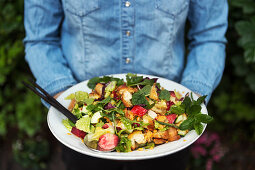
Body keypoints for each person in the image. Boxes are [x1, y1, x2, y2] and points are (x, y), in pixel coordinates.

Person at [24, 0, 228, 169]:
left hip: (167, 139)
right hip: (82, 136)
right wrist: (60, 91)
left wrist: (192, 97)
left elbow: (209, 35)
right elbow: (40, 39)